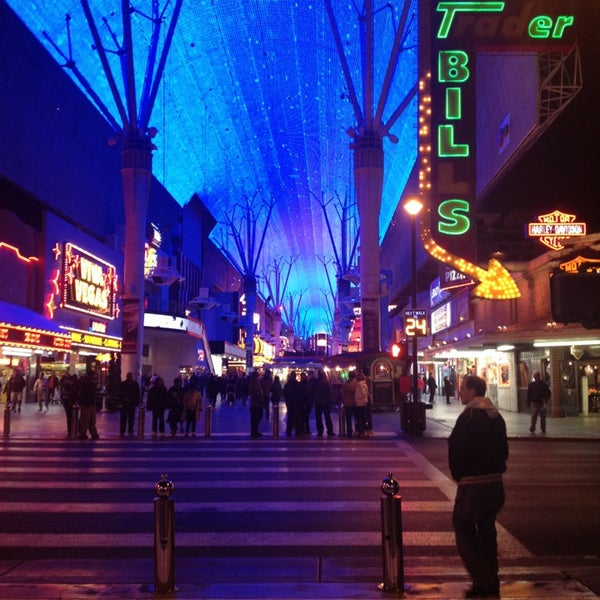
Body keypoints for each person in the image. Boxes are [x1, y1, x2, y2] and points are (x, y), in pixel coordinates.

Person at [448, 375, 508, 599]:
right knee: (487, 532)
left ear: (473, 391)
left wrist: (459, 475)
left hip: (473, 484)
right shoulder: (496, 416)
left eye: (463, 388)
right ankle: (491, 580)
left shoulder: (469, 417)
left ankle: (484, 578)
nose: (460, 392)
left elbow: (457, 450)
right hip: (495, 483)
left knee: (463, 528)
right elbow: (504, 451)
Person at [312, 369, 335, 437]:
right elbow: (329, 392)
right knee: (327, 417)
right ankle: (330, 431)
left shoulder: (315, 382)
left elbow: (312, 391)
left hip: (317, 401)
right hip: (325, 401)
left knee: (318, 417)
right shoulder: (326, 382)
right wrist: (331, 401)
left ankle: (320, 431)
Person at [78, 372, 100, 440]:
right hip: (87, 403)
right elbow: (88, 393)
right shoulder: (88, 383)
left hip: (87, 403)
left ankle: (85, 433)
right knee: (88, 419)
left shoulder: (86, 382)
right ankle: (86, 433)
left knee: (88, 419)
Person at [119, 372, 140, 437]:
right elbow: (137, 394)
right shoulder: (135, 384)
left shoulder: (123, 384)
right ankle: (128, 430)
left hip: (127, 403)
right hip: (129, 403)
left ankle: (124, 431)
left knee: (125, 418)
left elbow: (120, 394)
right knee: (128, 418)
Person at [283, 370, 302, 436]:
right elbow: (300, 393)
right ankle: (297, 431)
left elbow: (284, 392)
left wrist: (287, 401)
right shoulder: (297, 384)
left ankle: (289, 431)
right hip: (296, 403)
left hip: (290, 403)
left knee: (290, 418)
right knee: (297, 418)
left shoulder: (288, 384)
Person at [340, 371, 357, 438]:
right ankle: (357, 430)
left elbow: (342, 392)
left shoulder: (345, 384)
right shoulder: (356, 383)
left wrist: (344, 399)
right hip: (355, 402)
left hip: (347, 402)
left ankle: (349, 431)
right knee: (356, 418)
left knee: (348, 418)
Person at [59, 372, 77, 437]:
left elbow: (62, 394)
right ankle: (71, 430)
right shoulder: (69, 386)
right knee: (71, 417)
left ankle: (70, 430)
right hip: (69, 402)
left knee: (69, 417)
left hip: (67, 402)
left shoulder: (64, 386)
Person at [248, 370, 263, 438]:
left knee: (255, 419)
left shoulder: (253, 382)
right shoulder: (255, 383)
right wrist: (261, 398)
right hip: (256, 403)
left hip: (254, 403)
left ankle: (254, 431)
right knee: (256, 418)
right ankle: (254, 431)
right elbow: (257, 393)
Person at [354, 372, 369, 436]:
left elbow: (363, 393)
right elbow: (366, 393)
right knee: (363, 417)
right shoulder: (364, 384)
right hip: (363, 402)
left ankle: (361, 430)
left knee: (359, 417)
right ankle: (365, 430)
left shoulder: (360, 384)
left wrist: (356, 398)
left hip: (360, 402)